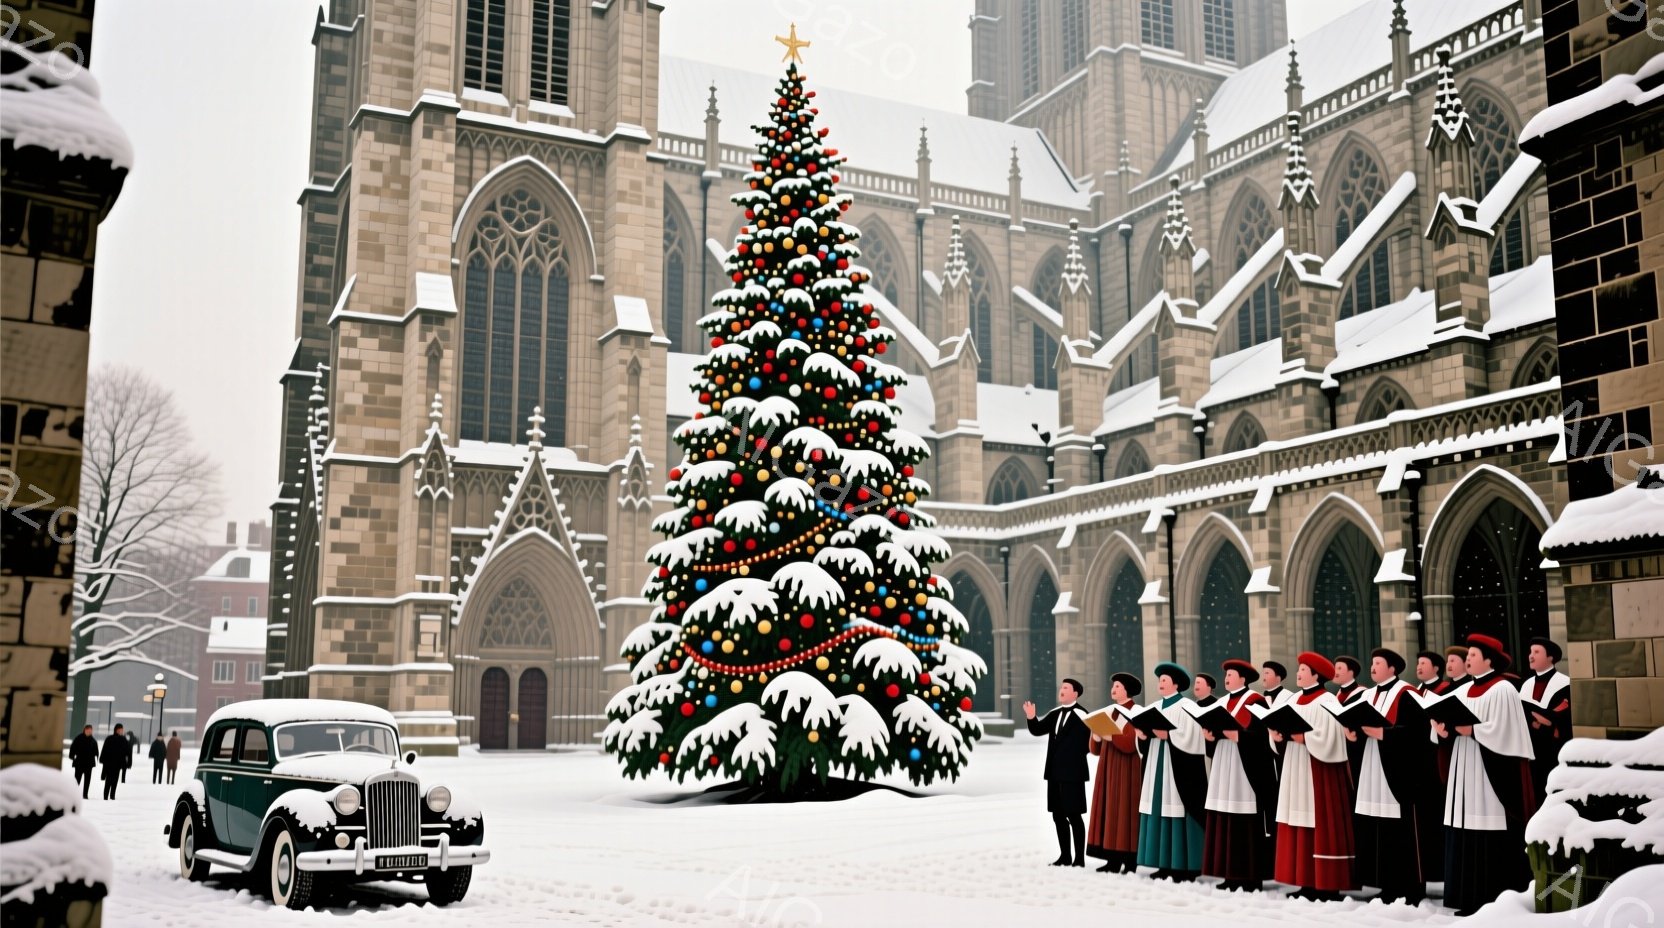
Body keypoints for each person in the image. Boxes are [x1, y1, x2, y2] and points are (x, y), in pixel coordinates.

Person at [1435, 634, 1536, 916]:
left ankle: (1492, 897)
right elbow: (1452, 722)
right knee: (1465, 826)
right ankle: (1467, 897)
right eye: (1467, 655)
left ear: (1489, 660)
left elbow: (1505, 732)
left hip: (1487, 772)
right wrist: (1444, 731)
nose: (1467, 659)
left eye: (1473, 655)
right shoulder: (1462, 690)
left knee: (1486, 829)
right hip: (1464, 765)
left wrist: (1474, 730)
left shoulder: (1502, 689)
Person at [1272, 652, 1356, 901]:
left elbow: (1331, 738)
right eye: (1298, 670)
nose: (1298, 674)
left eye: (1304, 670)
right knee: (1298, 819)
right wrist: (1278, 736)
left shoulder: (1328, 701)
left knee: (1320, 823)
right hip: (1296, 765)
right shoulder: (1294, 699)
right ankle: (1305, 880)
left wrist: (1305, 738)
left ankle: (1327, 883)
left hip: (1318, 770)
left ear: (1316, 675)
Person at [1353, 648, 1434, 905]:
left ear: (1393, 668)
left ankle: (1411, 887)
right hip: (1373, 765)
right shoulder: (1367, 694)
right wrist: (1353, 734)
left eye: (1378, 663)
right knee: (1379, 827)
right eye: (1372, 663)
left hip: (1399, 773)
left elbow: (1418, 734)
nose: (1373, 667)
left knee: (1401, 831)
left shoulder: (1407, 694)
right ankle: (1386, 885)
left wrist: (1385, 735)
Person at [1201, 659, 1277, 892]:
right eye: (1226, 674)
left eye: (1231, 674)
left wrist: (1240, 737)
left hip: (1244, 769)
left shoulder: (1256, 701)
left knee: (1244, 822)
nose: (1227, 678)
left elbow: (1263, 738)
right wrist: (1210, 738)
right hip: (1224, 762)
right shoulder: (1221, 702)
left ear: (1243, 679)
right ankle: (1230, 874)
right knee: (1226, 819)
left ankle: (1250, 875)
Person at [1136, 662, 1208, 882]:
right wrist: (1142, 735)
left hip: (1176, 767)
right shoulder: (1155, 707)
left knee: (1176, 810)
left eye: (1164, 680)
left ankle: (1184, 865)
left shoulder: (1188, 707)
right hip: (1157, 763)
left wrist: (1170, 736)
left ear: (1176, 684)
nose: (1160, 683)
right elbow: (1147, 738)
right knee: (1159, 809)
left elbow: (1195, 737)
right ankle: (1164, 863)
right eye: (1159, 680)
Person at [1024, 678, 1092, 867]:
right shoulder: (1054, 714)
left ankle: (1079, 859)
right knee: (1058, 815)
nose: (1061, 690)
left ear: (1075, 694)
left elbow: (1088, 744)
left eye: (1066, 688)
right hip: (1054, 773)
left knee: (1074, 815)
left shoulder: (1082, 715)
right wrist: (1031, 717)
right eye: (1061, 687)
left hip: (1073, 774)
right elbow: (1038, 730)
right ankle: (1065, 856)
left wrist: (1072, 755)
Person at [1087, 672, 1144, 874]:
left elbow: (1132, 743)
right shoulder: (1109, 712)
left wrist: (1111, 736)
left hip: (1127, 770)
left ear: (1127, 690)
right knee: (1110, 812)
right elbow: (1095, 750)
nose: (1113, 689)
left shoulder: (1137, 712)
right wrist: (1095, 736)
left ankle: (1130, 861)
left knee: (1125, 812)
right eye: (1113, 686)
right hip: (1108, 768)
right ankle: (1112, 859)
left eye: (1118, 686)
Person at [1519, 637, 1570, 809]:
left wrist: (1543, 721)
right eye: (1530, 652)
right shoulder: (1526, 685)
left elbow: (1560, 717)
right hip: (1530, 750)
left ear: (1551, 657)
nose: (1531, 656)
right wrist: (1541, 720)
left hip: (1552, 751)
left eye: (1536, 652)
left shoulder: (1564, 683)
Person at [69, 724, 99, 800]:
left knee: (87, 780)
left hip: (89, 763)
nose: (89, 732)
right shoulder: (78, 738)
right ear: (84, 730)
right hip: (79, 762)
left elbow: (96, 750)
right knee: (77, 780)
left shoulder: (93, 740)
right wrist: (72, 756)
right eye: (88, 730)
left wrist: (97, 756)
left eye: (90, 730)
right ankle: (73, 794)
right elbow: (73, 748)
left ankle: (85, 794)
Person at [100, 724, 128, 800]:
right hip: (109, 763)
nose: (122, 731)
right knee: (108, 781)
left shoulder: (123, 740)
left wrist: (125, 763)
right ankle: (106, 796)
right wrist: (103, 760)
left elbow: (126, 753)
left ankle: (112, 796)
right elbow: (104, 750)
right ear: (116, 730)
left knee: (115, 781)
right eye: (120, 730)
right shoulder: (110, 739)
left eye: (122, 730)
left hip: (117, 764)